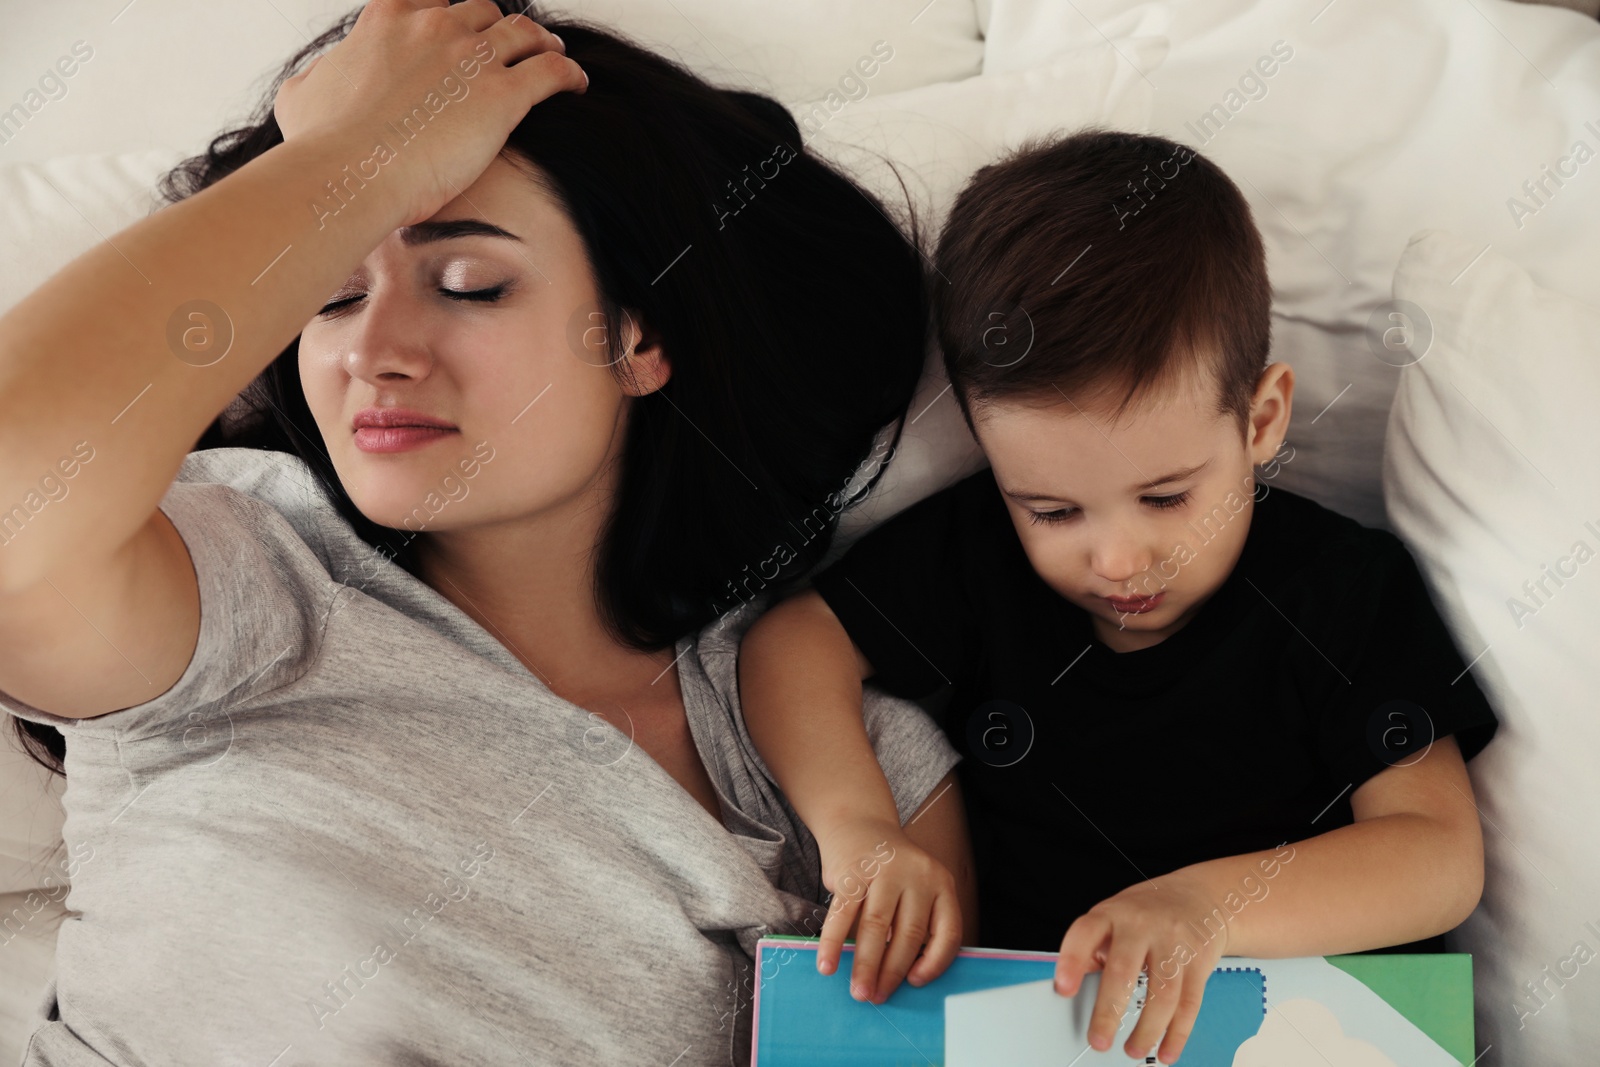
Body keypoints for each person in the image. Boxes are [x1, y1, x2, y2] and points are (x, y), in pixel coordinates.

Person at [0, 2, 973, 1063]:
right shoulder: (250, 581)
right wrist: (348, 158)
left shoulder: (835, 752)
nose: (376, 349)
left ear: (642, 334)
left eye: (468, 282)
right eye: (329, 296)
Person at [738, 128, 1501, 1064]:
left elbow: (1437, 857)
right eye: (1053, 509)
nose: (1117, 558)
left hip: (1313, 1023)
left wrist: (1209, 906)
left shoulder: (1342, 589)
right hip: (1048, 1029)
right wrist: (860, 831)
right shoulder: (978, 557)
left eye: (1167, 496)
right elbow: (793, 642)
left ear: (1261, 420)